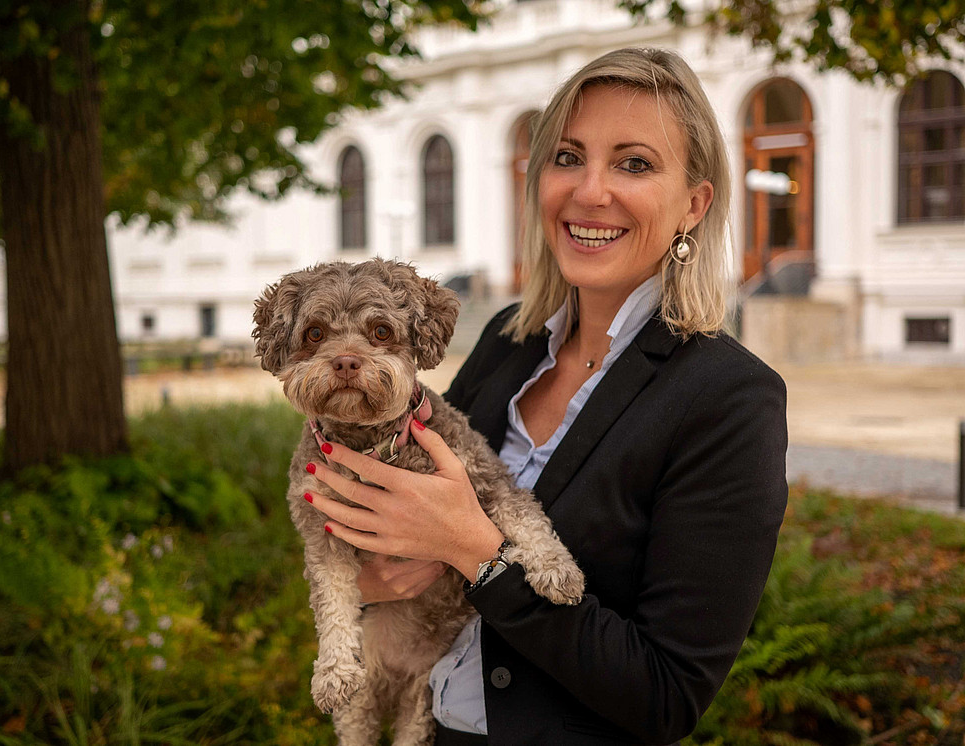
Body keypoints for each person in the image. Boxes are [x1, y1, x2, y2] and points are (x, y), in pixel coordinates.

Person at [304, 47, 788, 745]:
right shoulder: (509, 340)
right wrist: (371, 574)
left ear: (694, 203)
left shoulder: (728, 400)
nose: (590, 191)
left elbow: (665, 698)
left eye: (634, 163)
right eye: (567, 156)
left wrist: (479, 555)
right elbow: (386, 559)